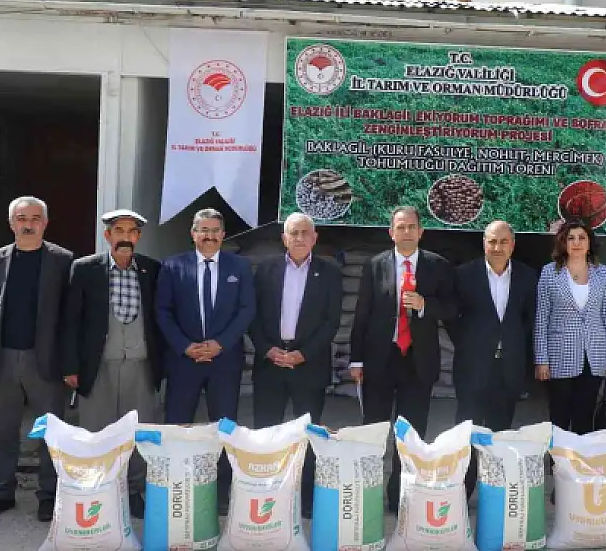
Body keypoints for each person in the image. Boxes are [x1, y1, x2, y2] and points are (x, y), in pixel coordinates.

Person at [0, 197, 72, 522]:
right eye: (21, 218)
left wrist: (71, 366)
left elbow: (71, 319)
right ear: (11, 224)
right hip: (2, 361)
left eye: (35, 218)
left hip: (47, 363)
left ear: (45, 223)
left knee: (51, 435)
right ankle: (1, 493)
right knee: (4, 432)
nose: (28, 224)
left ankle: (49, 495)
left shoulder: (63, 261)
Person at [349, 206, 456, 512]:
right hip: (380, 359)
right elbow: (362, 314)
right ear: (391, 232)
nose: (406, 232)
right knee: (374, 430)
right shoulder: (376, 265)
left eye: (411, 227)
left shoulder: (438, 265)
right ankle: (367, 494)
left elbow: (452, 308)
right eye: (400, 227)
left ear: (421, 232)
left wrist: (425, 305)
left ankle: (400, 495)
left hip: (417, 362)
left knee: (410, 435)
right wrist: (357, 360)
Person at [61, 209, 165, 518]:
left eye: (131, 231)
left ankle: (133, 491)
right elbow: (71, 322)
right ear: (107, 236)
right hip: (99, 366)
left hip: (140, 365)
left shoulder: (151, 270)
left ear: (138, 237)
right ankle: (99, 492)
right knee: (97, 432)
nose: (124, 236)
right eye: (118, 230)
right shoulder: (85, 269)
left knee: (138, 432)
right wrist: (70, 366)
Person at [157, 208, 255, 514]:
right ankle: (175, 485)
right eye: (203, 230)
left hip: (224, 361)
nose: (209, 235)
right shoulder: (173, 266)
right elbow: (163, 311)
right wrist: (185, 346)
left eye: (215, 230)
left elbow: (246, 309)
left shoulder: (240, 266)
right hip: (183, 361)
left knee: (223, 428)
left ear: (223, 234)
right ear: (193, 233)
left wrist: (220, 344)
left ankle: (221, 492)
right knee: (178, 425)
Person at [249, 213, 342, 518]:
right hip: (270, 363)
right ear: (284, 238)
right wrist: (267, 350)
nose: (299, 238)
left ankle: (305, 503)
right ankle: (267, 498)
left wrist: (304, 353)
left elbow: (331, 322)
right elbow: (253, 316)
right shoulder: (265, 270)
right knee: (267, 433)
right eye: (293, 233)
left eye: (305, 233)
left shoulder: (329, 272)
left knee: (309, 434)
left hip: (309, 365)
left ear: (314, 238)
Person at [448, 220, 536, 497]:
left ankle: (492, 493)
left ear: (513, 244)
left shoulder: (527, 276)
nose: (497, 247)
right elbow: (452, 317)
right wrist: (468, 343)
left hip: (508, 367)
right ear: (483, 243)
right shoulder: (463, 275)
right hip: (472, 367)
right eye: (492, 241)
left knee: (500, 433)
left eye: (503, 242)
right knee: (467, 432)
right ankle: (462, 490)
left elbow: (529, 320)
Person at [533, 219, 606, 434]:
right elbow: (541, 319)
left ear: (589, 242)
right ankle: (558, 464)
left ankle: (580, 465)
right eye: (571, 238)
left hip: (594, 356)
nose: (576, 243)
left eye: (582, 237)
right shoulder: (549, 273)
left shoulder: (603, 273)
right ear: (563, 242)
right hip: (560, 355)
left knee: (585, 416)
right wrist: (541, 360)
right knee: (559, 415)